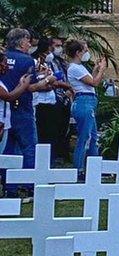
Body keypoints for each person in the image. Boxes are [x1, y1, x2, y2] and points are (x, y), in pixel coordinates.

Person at [3, 28, 51, 180]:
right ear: (22, 41)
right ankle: (28, 184)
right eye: (28, 40)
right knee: (29, 148)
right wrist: (47, 81)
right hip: (22, 107)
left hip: (4, 110)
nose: (30, 44)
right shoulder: (26, 60)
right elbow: (31, 86)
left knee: (7, 149)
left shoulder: (3, 57)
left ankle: (9, 185)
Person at [65, 39, 106, 175]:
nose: (87, 52)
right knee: (85, 136)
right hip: (83, 102)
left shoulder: (80, 67)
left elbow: (88, 82)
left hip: (88, 101)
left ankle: (93, 168)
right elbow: (94, 83)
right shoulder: (74, 68)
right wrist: (102, 70)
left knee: (94, 137)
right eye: (84, 50)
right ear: (77, 52)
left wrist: (95, 70)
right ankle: (79, 169)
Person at [32, 38, 71, 163]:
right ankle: (43, 161)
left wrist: (50, 80)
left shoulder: (51, 63)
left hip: (51, 101)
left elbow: (50, 80)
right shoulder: (35, 63)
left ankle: (51, 159)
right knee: (44, 134)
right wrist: (50, 80)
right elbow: (42, 83)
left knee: (53, 133)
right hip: (41, 102)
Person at [0, 52, 31, 163]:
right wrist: (24, 85)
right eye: (3, 63)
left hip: (4, 122)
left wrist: (20, 84)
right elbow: (9, 97)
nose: (6, 66)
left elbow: (12, 93)